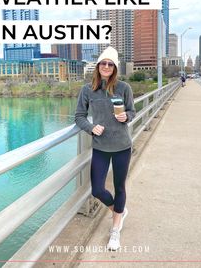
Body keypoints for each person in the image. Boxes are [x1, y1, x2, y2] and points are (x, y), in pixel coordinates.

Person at [75, 46, 136, 250]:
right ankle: (119, 211)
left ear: (115, 68)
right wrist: (92, 128)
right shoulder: (87, 90)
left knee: (120, 187)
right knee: (98, 189)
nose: (107, 66)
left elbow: (132, 111)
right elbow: (79, 117)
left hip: (121, 146)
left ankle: (115, 230)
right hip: (100, 147)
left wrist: (126, 116)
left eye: (111, 64)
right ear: (98, 66)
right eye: (104, 63)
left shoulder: (124, 88)